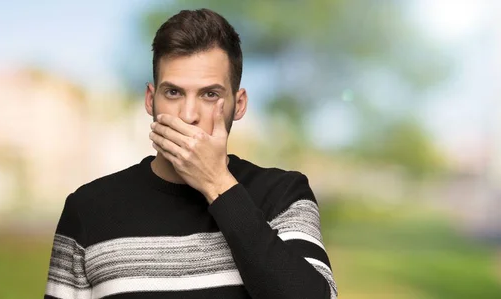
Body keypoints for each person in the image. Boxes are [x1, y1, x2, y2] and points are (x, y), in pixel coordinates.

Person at [44, 8, 337, 299]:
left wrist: (217, 184)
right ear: (150, 100)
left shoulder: (284, 195)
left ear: (240, 104)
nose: (188, 115)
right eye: (173, 93)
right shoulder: (88, 209)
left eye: (210, 94)